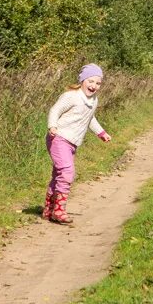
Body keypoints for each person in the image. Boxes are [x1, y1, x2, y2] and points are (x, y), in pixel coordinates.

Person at [43, 63, 112, 224]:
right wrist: (52, 125)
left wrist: (101, 132)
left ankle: (49, 209)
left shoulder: (93, 100)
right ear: (82, 80)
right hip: (58, 138)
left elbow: (90, 118)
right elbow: (55, 110)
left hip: (72, 142)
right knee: (67, 172)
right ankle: (59, 211)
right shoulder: (71, 96)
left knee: (58, 174)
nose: (94, 86)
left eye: (98, 83)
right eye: (91, 81)